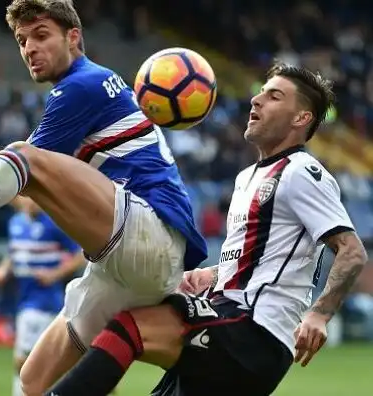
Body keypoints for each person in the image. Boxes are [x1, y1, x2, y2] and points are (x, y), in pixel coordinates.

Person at [0, 0, 207, 394]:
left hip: (149, 232)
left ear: (74, 36)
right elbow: (19, 174)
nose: (29, 48)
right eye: (21, 40)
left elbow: (26, 179)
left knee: (26, 157)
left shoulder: (80, 86)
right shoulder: (94, 85)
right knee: (33, 379)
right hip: (125, 262)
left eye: (41, 35)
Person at [42, 63, 369, 396]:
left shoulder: (301, 171)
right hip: (232, 323)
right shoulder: (248, 177)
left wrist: (319, 314)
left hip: (254, 333)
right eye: (260, 91)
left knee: (131, 327)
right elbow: (266, 258)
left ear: (301, 118)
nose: (256, 100)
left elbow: (351, 250)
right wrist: (215, 274)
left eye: (274, 96)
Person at [0, 197, 85, 396]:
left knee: (24, 360)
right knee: (49, 359)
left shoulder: (54, 223)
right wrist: (3, 269)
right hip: (25, 300)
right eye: (27, 198)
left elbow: (80, 255)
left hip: (44, 302)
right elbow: (14, 251)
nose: (31, 203)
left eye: (35, 198)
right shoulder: (15, 222)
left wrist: (54, 275)